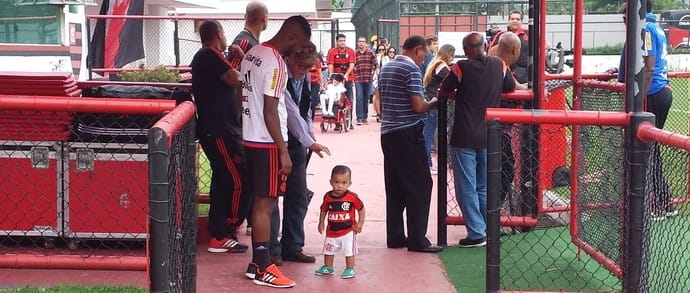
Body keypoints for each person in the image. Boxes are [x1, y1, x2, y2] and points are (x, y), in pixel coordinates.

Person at [240, 15, 312, 288]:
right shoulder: (275, 62)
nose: (299, 51)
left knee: (262, 201)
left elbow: (242, 96)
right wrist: (283, 150)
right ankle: (262, 266)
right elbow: (271, 110)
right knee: (265, 203)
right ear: (292, 37)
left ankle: (257, 263)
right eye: (301, 44)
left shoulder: (252, 54)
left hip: (251, 136)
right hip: (266, 141)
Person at [439, 32, 516, 248]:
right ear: (485, 45)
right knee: (484, 185)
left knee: (466, 186)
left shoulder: (460, 67)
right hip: (489, 134)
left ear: (465, 50)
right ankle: (488, 228)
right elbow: (510, 87)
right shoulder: (499, 65)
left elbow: (445, 89)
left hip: (464, 134)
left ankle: (476, 232)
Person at [375, 35, 442, 253]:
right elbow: (417, 105)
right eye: (425, 53)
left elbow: (380, 100)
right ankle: (417, 239)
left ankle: (395, 236)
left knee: (394, 187)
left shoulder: (386, 68)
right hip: (407, 132)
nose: (426, 58)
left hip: (388, 132)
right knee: (421, 185)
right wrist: (433, 103)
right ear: (418, 50)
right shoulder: (411, 70)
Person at [268, 41, 331, 266]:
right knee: (271, 196)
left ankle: (293, 246)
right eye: (302, 67)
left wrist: (310, 137)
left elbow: (304, 110)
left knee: (298, 195)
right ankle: (272, 249)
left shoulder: (303, 77)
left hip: (296, 142)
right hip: (276, 140)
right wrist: (308, 141)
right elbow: (290, 112)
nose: (305, 72)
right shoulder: (279, 75)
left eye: (308, 68)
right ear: (291, 60)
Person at [191, 20, 249, 254]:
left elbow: (229, 74)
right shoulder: (208, 54)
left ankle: (219, 233)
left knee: (223, 179)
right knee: (239, 180)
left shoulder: (214, 57)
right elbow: (234, 78)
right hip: (219, 130)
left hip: (223, 128)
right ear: (218, 34)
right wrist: (241, 59)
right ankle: (227, 226)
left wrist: (238, 58)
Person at [615, 1, 675, 220]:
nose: (624, 23)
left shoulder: (646, 28)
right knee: (651, 149)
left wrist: (638, 102)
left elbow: (649, 66)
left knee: (646, 148)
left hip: (653, 93)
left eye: (625, 19)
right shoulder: (653, 26)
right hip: (658, 91)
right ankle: (664, 202)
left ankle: (658, 204)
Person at [228, 0, 269, 238]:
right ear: (264, 18)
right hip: (242, 119)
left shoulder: (252, 44)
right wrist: (240, 114)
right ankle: (235, 221)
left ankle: (252, 218)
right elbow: (233, 79)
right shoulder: (243, 42)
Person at [315, 165, 365, 279]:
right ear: (331, 182)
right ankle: (328, 267)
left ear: (349, 183)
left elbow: (361, 209)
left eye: (344, 182)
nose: (340, 186)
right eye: (336, 182)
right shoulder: (327, 197)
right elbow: (323, 210)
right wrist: (321, 222)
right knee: (328, 250)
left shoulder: (352, 197)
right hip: (332, 231)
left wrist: (360, 223)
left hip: (348, 231)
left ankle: (350, 268)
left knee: (349, 251)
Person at [422, 44, 455, 175]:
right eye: (452, 55)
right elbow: (451, 78)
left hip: (432, 102)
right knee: (428, 135)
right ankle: (427, 164)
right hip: (434, 104)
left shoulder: (435, 63)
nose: (452, 58)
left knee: (429, 134)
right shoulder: (441, 65)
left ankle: (427, 163)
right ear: (448, 54)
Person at [490, 10, 529, 84]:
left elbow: (545, 46)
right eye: (512, 19)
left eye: (518, 19)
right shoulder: (501, 35)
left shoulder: (529, 33)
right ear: (509, 21)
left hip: (525, 76)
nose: (515, 21)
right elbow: (490, 53)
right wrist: (504, 43)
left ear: (521, 21)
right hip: (505, 74)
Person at [420, 35, 440, 174]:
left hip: (428, 97)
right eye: (434, 43)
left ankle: (427, 161)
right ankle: (426, 162)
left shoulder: (428, 59)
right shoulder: (431, 59)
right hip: (431, 98)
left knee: (427, 132)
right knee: (428, 132)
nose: (436, 45)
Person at [327, 33, 356, 122]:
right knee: (336, 98)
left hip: (348, 79)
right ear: (337, 42)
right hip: (336, 79)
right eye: (340, 41)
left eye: (344, 41)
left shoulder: (350, 51)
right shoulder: (332, 52)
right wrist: (333, 76)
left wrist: (346, 75)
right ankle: (336, 119)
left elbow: (351, 65)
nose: (342, 42)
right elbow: (330, 65)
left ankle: (349, 120)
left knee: (349, 98)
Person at [353, 36, 377, 125]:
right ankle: (359, 117)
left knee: (365, 98)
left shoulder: (370, 53)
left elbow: (376, 64)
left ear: (366, 43)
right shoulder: (355, 53)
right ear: (357, 43)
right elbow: (352, 65)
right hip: (358, 78)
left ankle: (365, 117)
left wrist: (374, 74)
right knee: (359, 98)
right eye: (360, 41)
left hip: (368, 79)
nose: (361, 43)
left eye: (363, 41)